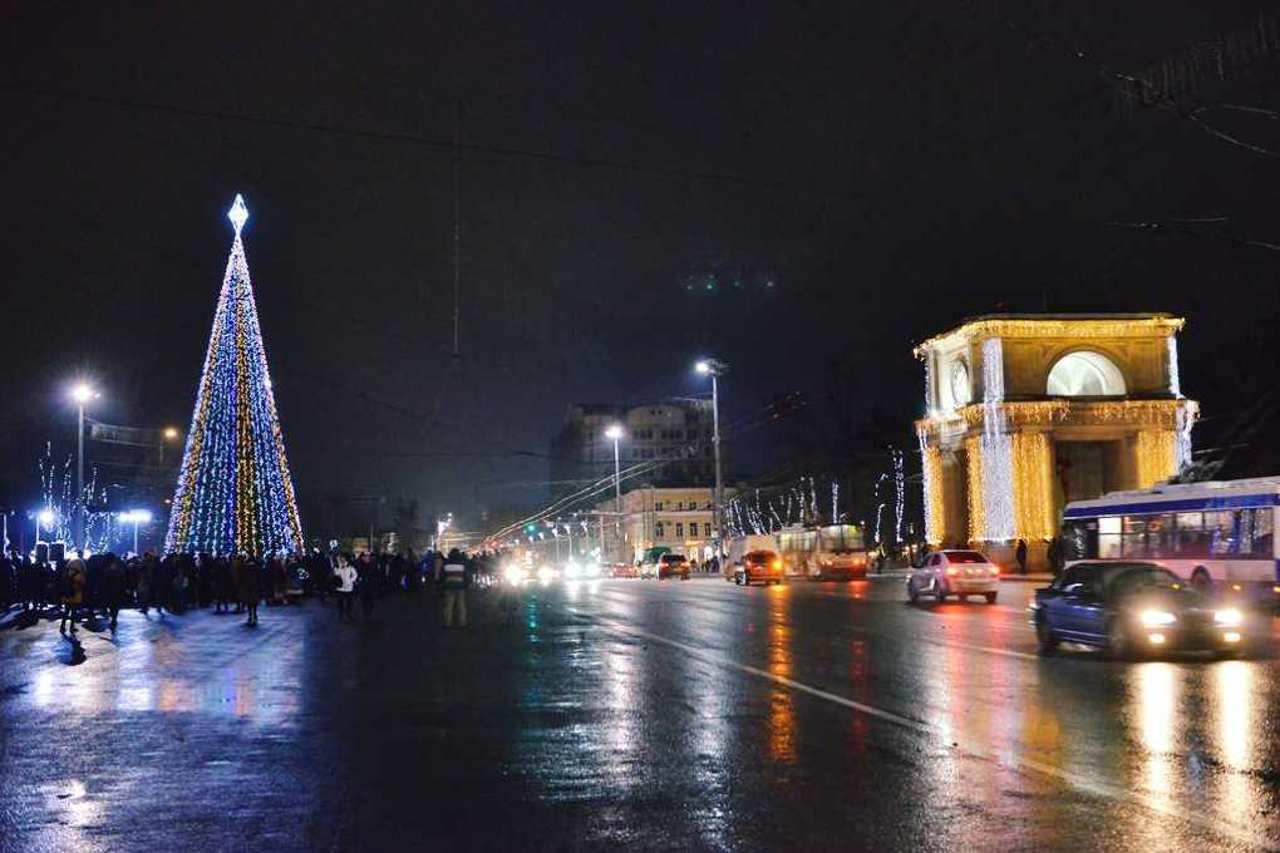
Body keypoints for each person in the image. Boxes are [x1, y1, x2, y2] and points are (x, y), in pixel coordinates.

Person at [438, 548, 468, 628]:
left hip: (449, 585)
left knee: (448, 605)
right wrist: (466, 585)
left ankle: (447, 622)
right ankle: (462, 622)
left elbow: (442, 575)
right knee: (461, 605)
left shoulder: (446, 563)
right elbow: (466, 576)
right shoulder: (462, 563)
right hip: (460, 586)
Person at [60, 558, 87, 635]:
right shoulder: (79, 575)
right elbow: (83, 583)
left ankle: (62, 626)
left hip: (67, 596)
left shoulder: (66, 573)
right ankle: (72, 627)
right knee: (73, 612)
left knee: (66, 611)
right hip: (75, 596)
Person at [103, 556, 127, 630]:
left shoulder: (108, 571)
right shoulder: (119, 572)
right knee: (115, 606)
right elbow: (123, 581)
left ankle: (113, 618)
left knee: (112, 605)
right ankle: (114, 618)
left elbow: (105, 582)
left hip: (111, 592)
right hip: (117, 591)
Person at [334, 554, 357, 622]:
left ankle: (348, 614)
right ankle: (341, 615)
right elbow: (336, 574)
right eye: (341, 558)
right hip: (340, 587)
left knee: (349, 602)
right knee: (340, 602)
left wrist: (350, 580)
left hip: (349, 587)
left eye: (343, 558)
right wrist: (338, 566)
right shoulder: (338, 566)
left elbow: (355, 575)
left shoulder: (350, 566)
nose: (342, 559)